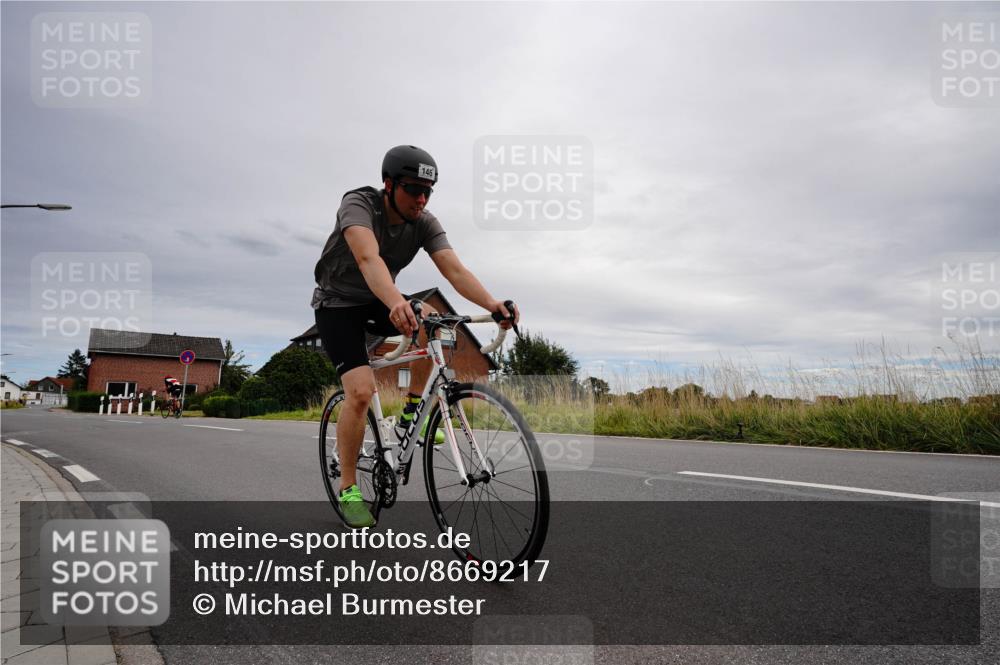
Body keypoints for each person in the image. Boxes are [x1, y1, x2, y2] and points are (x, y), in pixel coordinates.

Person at [311, 145, 518, 528]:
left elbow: (454, 270)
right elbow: (368, 259)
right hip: (338, 304)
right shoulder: (359, 205)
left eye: (428, 191)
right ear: (388, 185)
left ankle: (411, 415)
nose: (420, 199)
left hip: (379, 297)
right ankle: (350, 489)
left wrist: (492, 304)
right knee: (359, 391)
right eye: (412, 189)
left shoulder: (423, 221)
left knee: (435, 321)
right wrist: (396, 302)